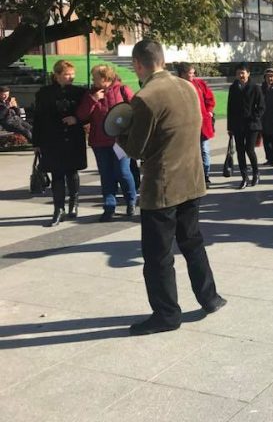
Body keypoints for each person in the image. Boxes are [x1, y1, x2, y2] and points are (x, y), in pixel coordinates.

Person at [118, 39, 225, 335]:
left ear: (138, 64)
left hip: (162, 187)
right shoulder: (188, 87)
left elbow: (136, 149)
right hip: (192, 179)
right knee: (192, 242)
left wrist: (117, 131)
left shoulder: (145, 97)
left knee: (158, 255)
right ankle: (210, 297)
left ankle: (166, 314)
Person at [76, 65, 138, 221]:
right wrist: (93, 100)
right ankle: (109, 206)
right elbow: (82, 116)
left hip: (120, 142)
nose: (92, 80)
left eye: (95, 77)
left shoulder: (123, 89)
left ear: (105, 78)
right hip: (100, 141)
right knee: (106, 174)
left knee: (123, 172)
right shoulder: (91, 94)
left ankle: (131, 200)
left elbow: (136, 110)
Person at [32, 60, 87, 227]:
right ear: (56, 76)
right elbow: (38, 118)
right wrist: (36, 141)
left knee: (72, 171)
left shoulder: (80, 92)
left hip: (72, 137)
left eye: (72, 73)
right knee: (57, 174)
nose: (70, 77)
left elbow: (88, 114)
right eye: (66, 74)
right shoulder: (44, 93)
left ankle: (74, 202)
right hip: (52, 138)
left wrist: (76, 119)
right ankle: (58, 209)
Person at [176, 63, 215, 187]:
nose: (192, 76)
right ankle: (193, 177)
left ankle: (206, 176)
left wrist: (209, 111)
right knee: (190, 153)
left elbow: (210, 99)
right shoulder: (177, 87)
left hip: (202, 122)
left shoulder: (199, 84)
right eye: (190, 73)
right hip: (186, 125)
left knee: (204, 150)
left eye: (193, 73)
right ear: (182, 74)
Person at [227, 63, 264, 190]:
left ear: (248, 73)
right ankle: (244, 177)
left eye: (243, 73)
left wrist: (254, 117)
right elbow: (230, 108)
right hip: (237, 125)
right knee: (240, 151)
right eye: (238, 73)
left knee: (250, 149)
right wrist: (230, 126)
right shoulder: (233, 88)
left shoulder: (255, 88)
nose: (240, 75)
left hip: (252, 125)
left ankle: (256, 172)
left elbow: (261, 107)